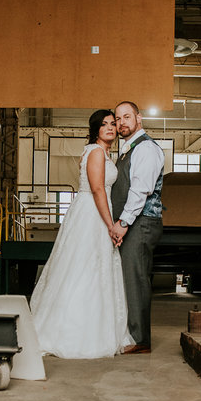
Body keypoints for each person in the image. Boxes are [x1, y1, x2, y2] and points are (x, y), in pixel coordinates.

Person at [30, 109, 134, 358]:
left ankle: (95, 325)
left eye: (112, 123)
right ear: (95, 129)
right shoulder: (96, 152)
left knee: (93, 269)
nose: (110, 127)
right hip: (93, 213)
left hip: (93, 211)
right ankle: (72, 331)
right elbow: (98, 190)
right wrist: (111, 225)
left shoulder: (103, 153)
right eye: (104, 124)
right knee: (84, 268)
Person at [108, 101, 164, 355]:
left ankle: (140, 340)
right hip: (132, 222)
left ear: (138, 118)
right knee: (130, 278)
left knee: (137, 279)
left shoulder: (146, 148)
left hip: (141, 222)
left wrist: (123, 222)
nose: (121, 123)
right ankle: (132, 333)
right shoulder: (128, 150)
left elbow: (141, 190)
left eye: (127, 117)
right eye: (118, 119)